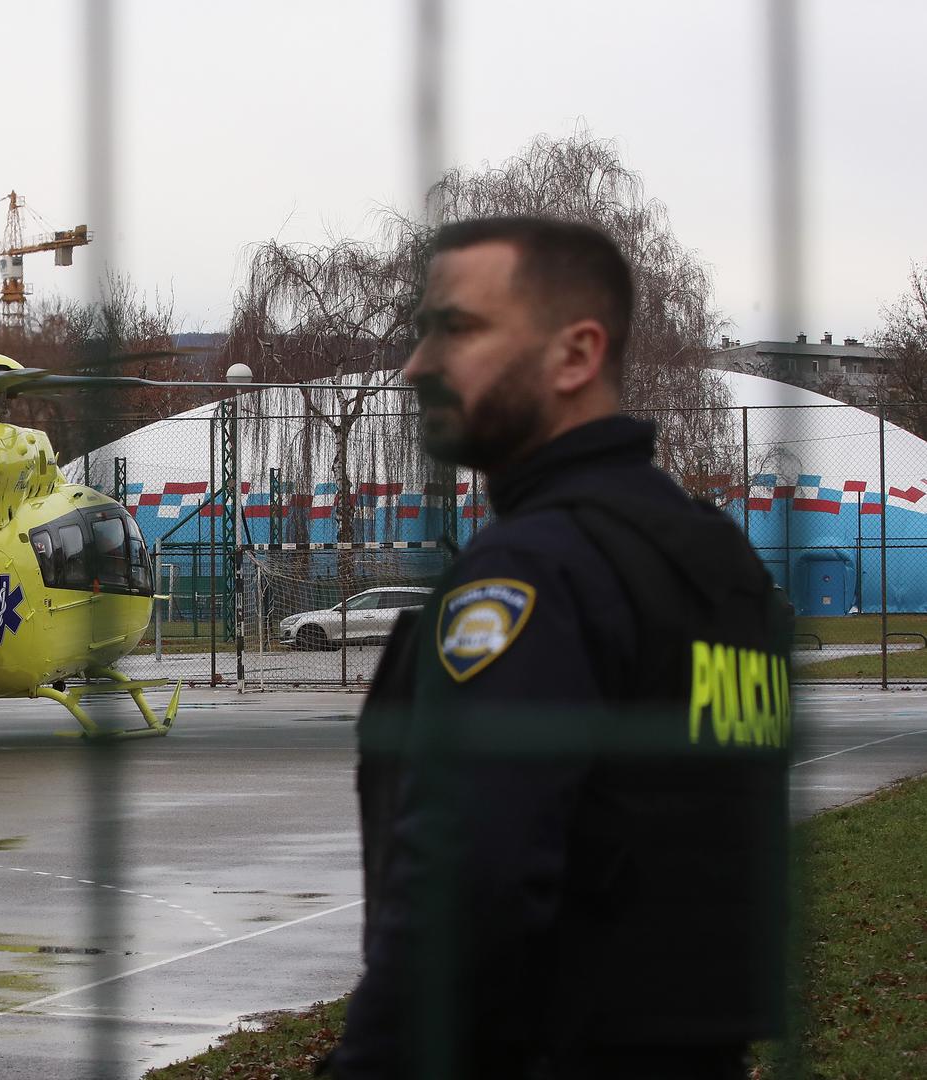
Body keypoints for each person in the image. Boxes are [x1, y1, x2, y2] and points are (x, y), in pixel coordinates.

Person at [326, 217, 791, 1079]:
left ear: (575, 356)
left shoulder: (535, 571)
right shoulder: (718, 567)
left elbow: (471, 882)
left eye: (457, 329)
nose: (416, 367)